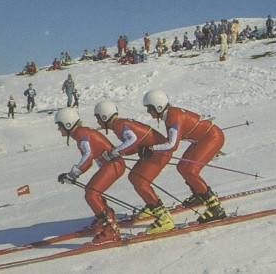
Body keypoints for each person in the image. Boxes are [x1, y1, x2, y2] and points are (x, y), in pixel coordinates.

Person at [141, 89, 226, 224]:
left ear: (158, 107)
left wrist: (151, 149)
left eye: (149, 108)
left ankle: (215, 207)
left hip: (212, 138)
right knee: (182, 167)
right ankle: (199, 194)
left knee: (190, 170)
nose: (148, 112)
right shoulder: (169, 115)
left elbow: (172, 145)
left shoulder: (173, 116)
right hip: (204, 138)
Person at [94, 101, 174, 234]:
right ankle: (151, 205)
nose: (98, 122)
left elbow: (132, 140)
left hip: (159, 152)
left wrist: (114, 152)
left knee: (141, 182)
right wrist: (119, 151)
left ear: (104, 117)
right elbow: (133, 144)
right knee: (134, 177)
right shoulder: (119, 125)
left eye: (98, 118)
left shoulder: (119, 125)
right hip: (153, 152)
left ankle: (164, 218)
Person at [55, 108, 125, 244]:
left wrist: (73, 174)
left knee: (91, 194)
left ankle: (111, 229)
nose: (58, 129)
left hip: (114, 164)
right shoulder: (80, 133)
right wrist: (72, 174)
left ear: (68, 125)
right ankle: (106, 217)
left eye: (60, 126)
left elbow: (88, 156)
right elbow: (87, 160)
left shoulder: (81, 133)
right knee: (92, 192)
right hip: (111, 164)